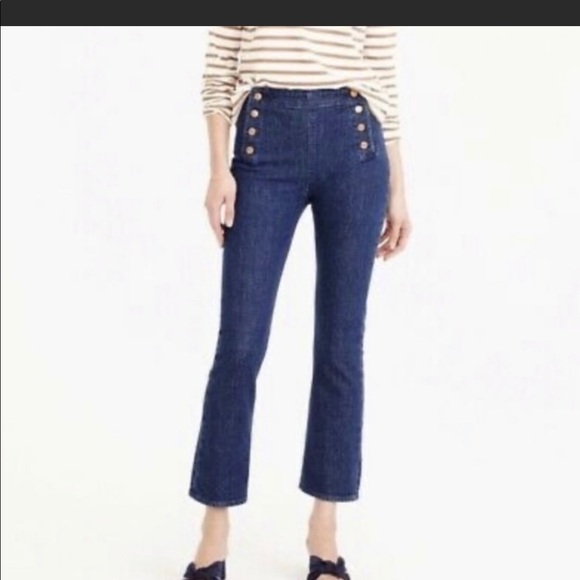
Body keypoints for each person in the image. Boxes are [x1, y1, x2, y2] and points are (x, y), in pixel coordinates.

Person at [181, 26, 412, 580]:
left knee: (340, 347)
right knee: (239, 346)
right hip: (264, 146)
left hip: (356, 148)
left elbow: (382, 79)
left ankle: (324, 530)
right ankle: (214, 531)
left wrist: (399, 189)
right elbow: (219, 70)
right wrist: (218, 170)